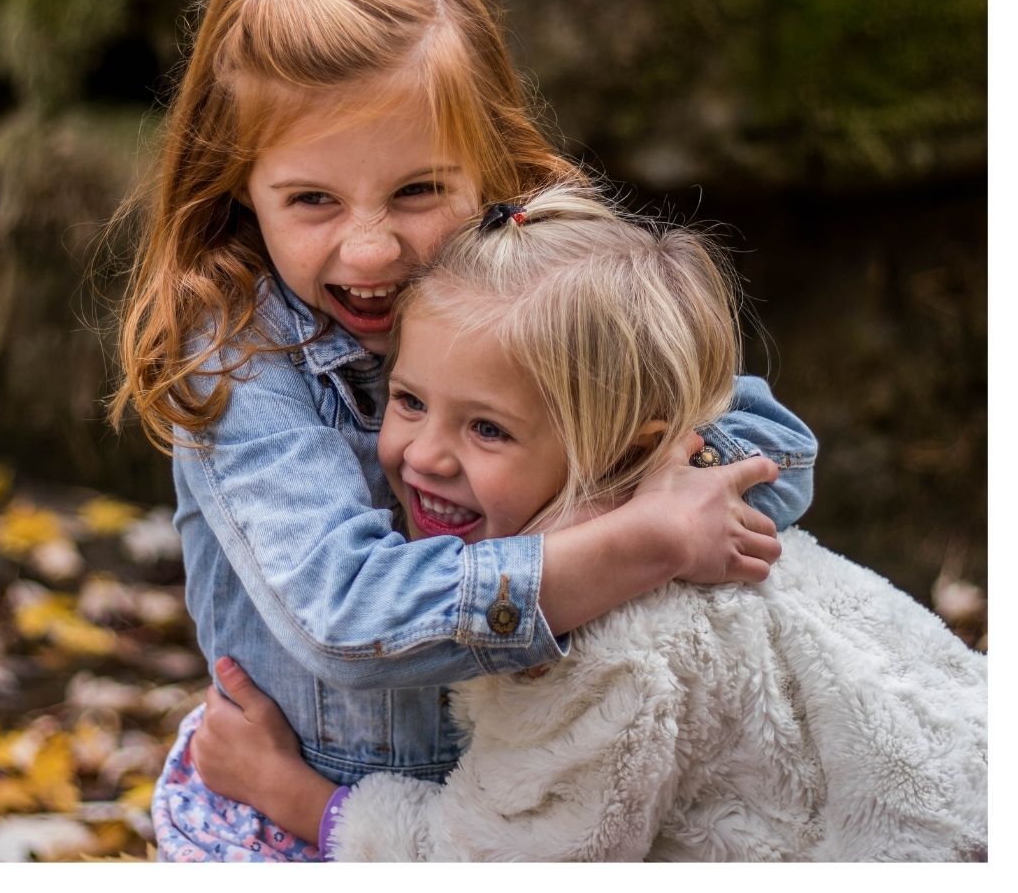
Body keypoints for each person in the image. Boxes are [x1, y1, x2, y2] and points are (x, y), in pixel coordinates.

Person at [108, 0, 815, 863]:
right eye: (312, 200)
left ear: (491, 164)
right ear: (239, 187)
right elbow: (348, 616)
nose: (371, 250)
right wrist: (629, 542)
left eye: (416, 194)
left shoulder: (537, 290)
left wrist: (625, 502)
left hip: (527, 801)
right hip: (295, 814)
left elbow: (775, 453)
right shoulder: (240, 357)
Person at [193, 185, 987, 862]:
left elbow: (498, 863)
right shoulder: (681, 506)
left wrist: (292, 796)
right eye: (409, 401)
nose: (424, 456)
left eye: (488, 430)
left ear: (625, 446)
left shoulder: (609, 648)